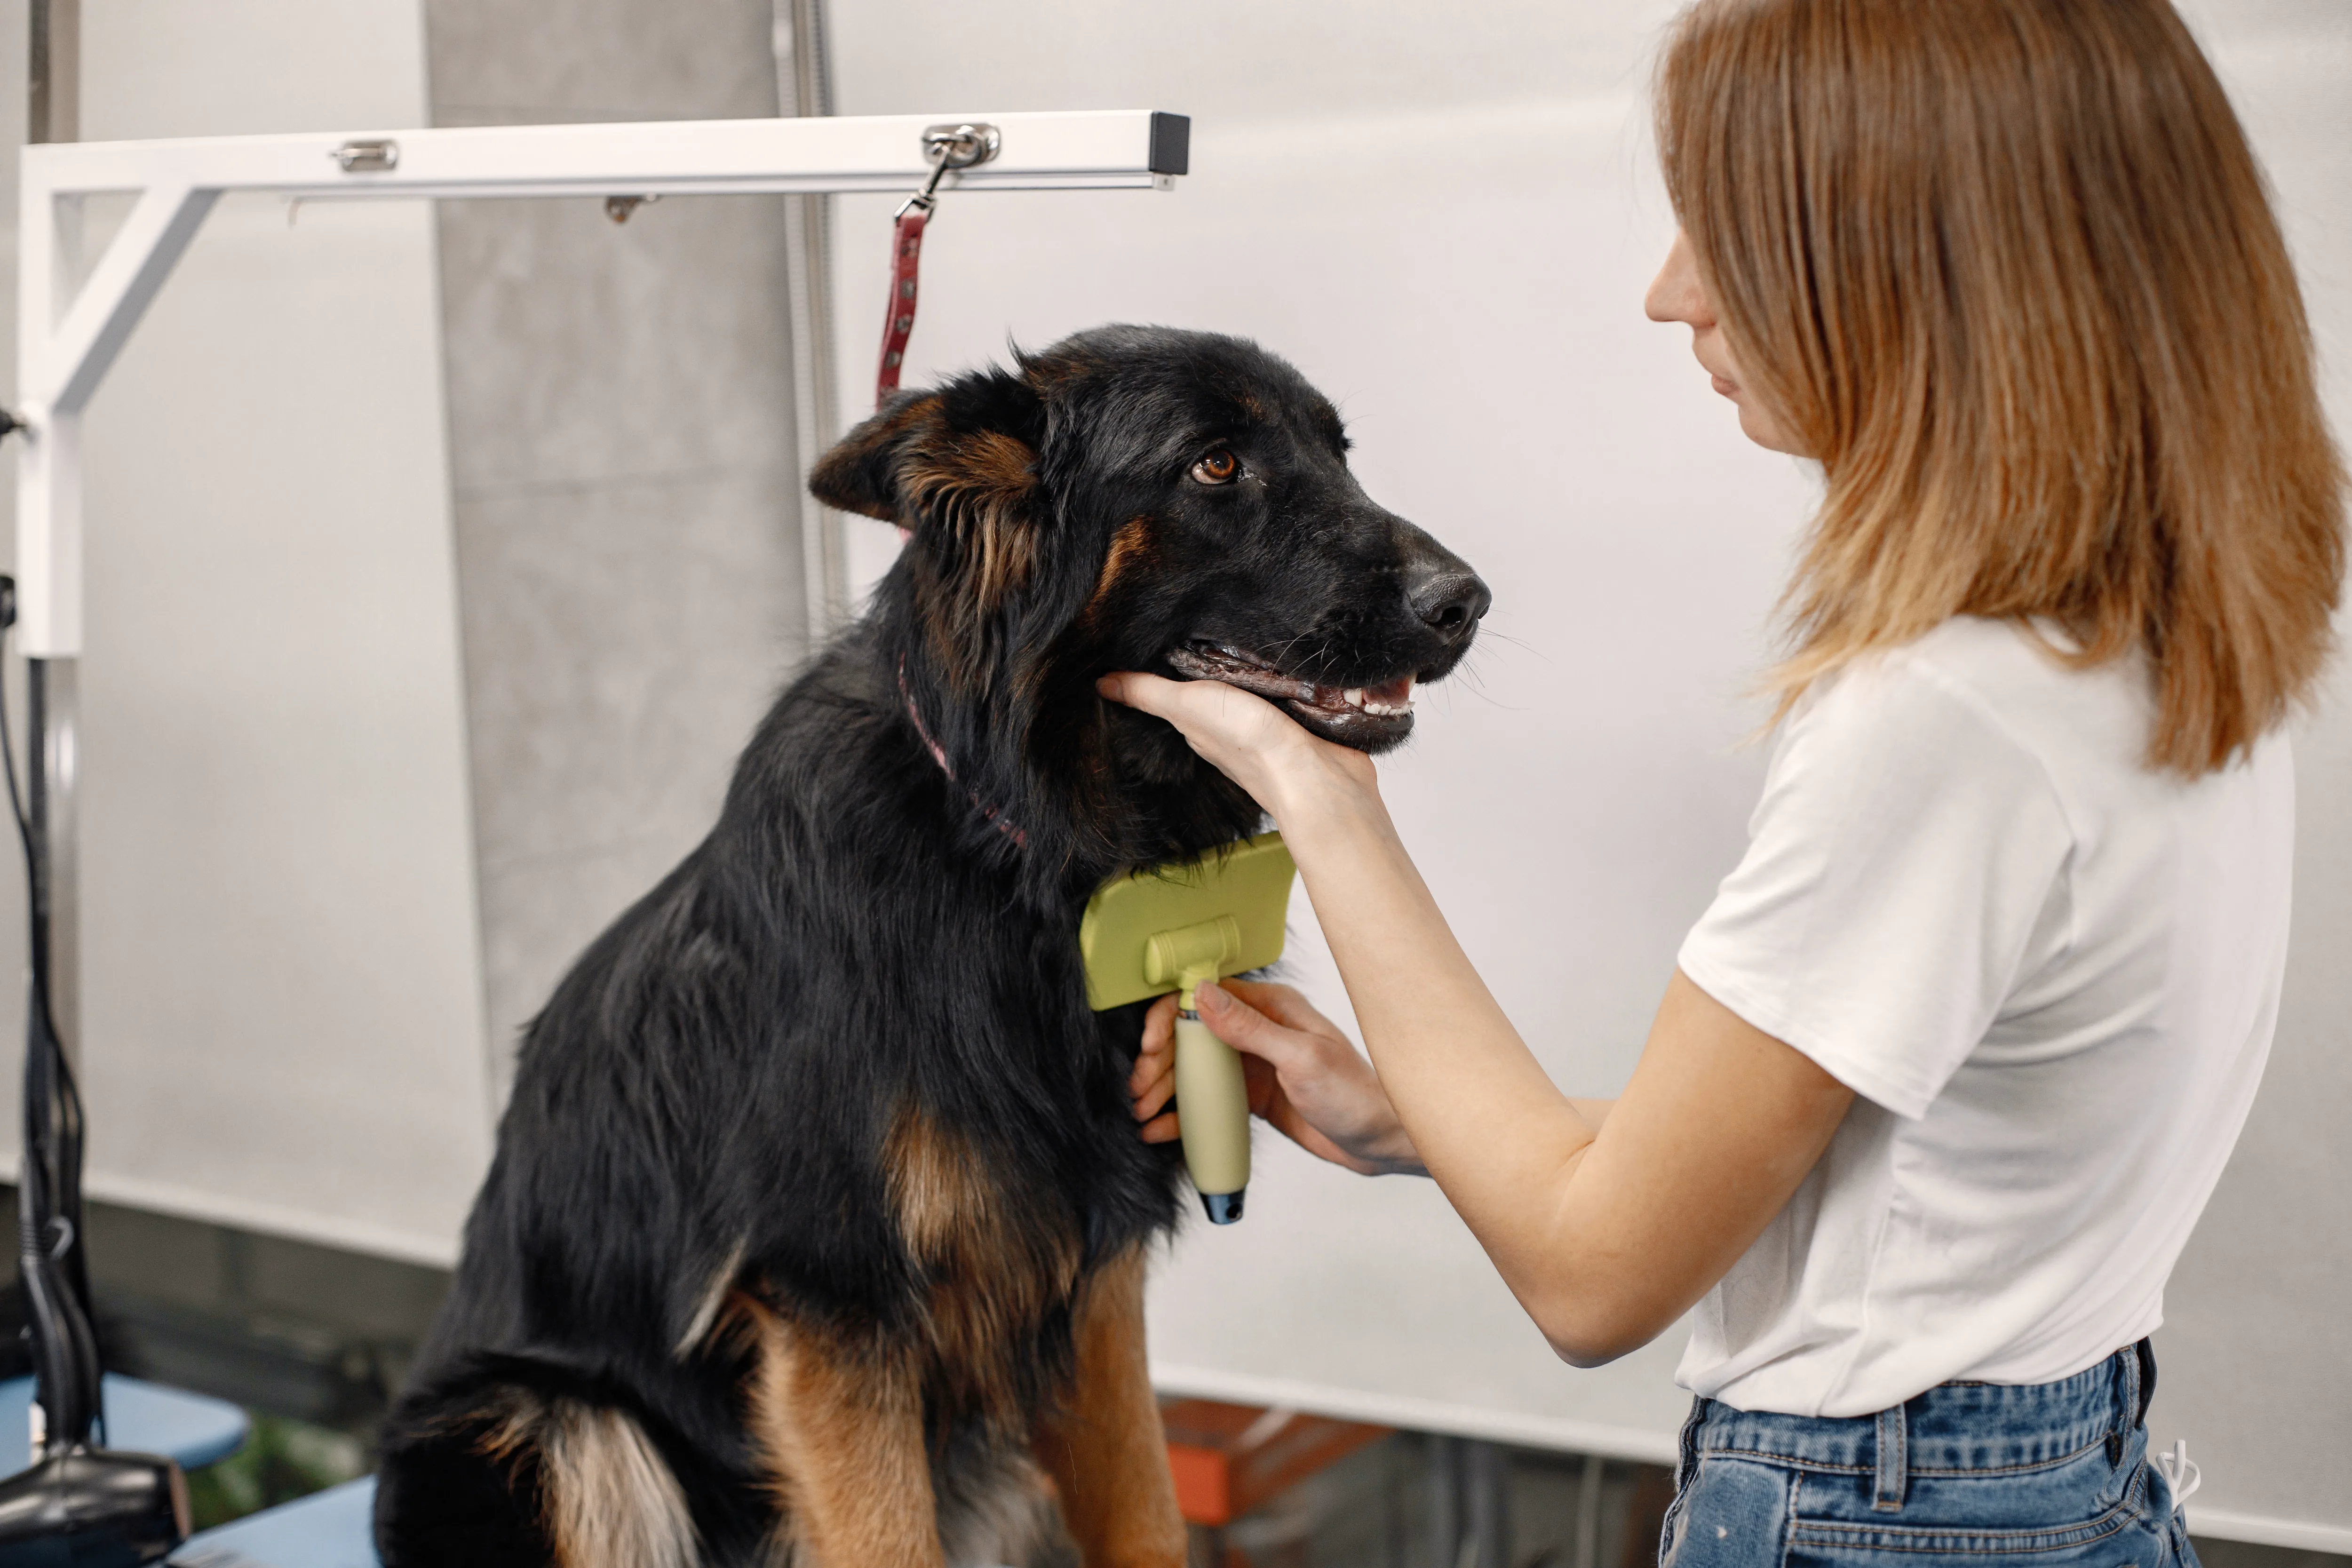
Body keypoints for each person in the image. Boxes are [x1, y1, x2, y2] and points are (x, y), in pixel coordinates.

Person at [1099, 0, 2346, 1561]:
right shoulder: (2156, 633)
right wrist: (1418, 1113)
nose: (1668, 292)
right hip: (2062, 1479)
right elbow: (1927, 1150)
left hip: (1882, 1517)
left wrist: (1322, 789)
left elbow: (1590, 1278)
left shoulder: (1943, 717)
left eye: (1727, 231)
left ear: (1910, 260)